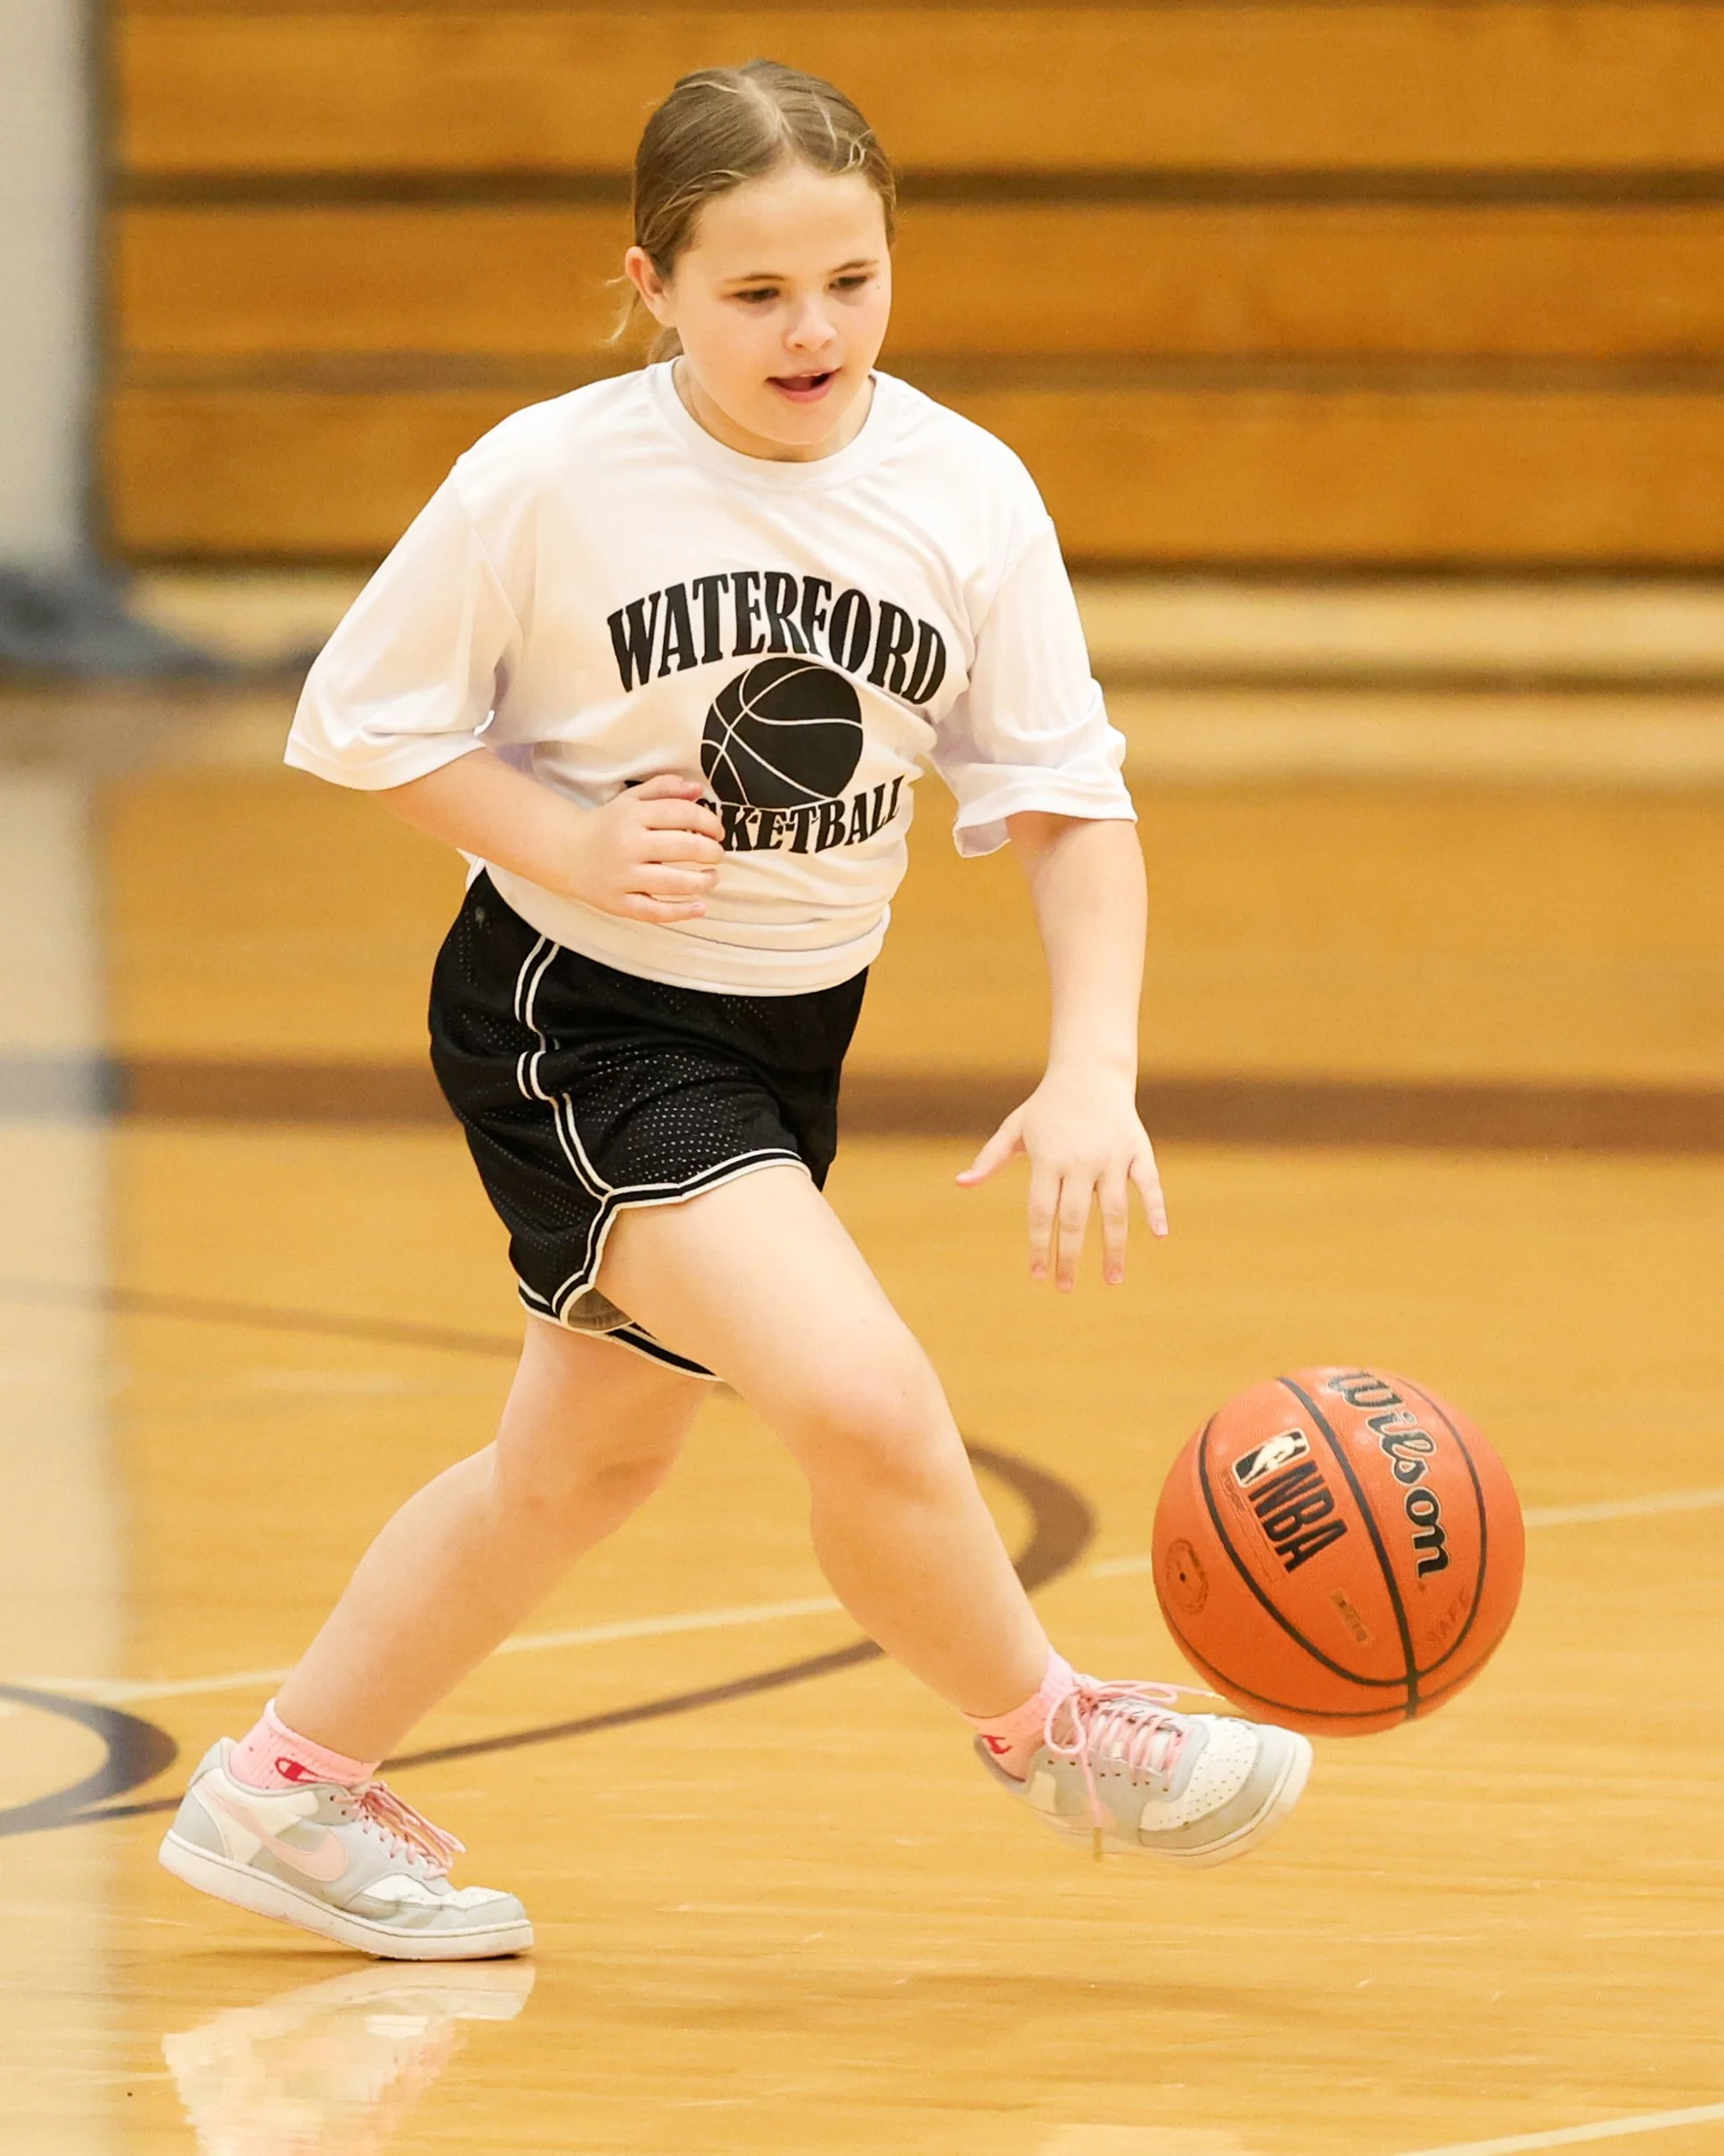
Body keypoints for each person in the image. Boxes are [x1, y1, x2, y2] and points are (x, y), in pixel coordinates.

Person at [158, 60, 1311, 1961]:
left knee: (584, 1462)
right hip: (575, 1005)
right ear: (653, 282)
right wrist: (569, 838)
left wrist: (1094, 1068)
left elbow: (1064, 799)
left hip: (787, 1026)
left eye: (849, 281)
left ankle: (285, 1791)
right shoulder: (548, 477)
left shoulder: (961, 489)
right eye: (757, 290)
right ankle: (1055, 1732)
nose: (812, 330)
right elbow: (356, 723)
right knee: (861, 1399)